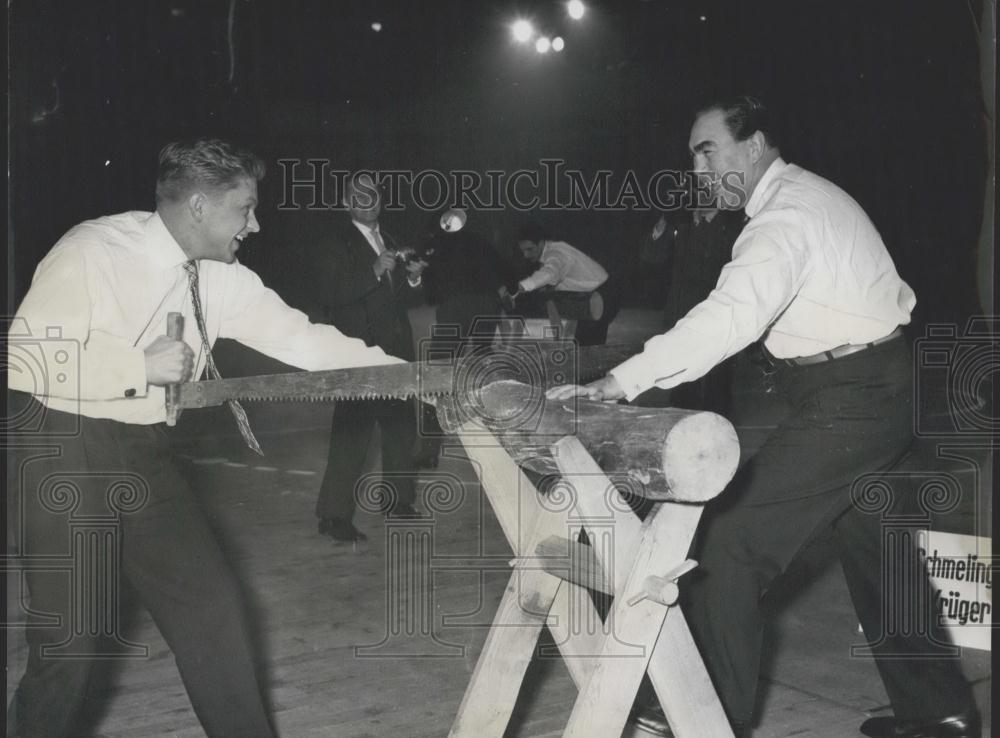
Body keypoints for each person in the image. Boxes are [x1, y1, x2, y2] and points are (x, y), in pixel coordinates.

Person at [549, 96, 978, 738]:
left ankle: (704, 719)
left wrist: (620, 380)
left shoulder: (785, 215)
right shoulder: (805, 197)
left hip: (854, 397)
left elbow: (730, 315)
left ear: (754, 146)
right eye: (692, 156)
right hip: (879, 383)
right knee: (876, 546)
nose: (697, 169)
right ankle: (941, 715)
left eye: (708, 149)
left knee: (732, 543)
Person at [6, 139, 405, 737]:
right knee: (71, 645)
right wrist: (136, 367)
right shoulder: (94, 250)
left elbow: (306, 341)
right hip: (61, 445)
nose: (256, 223)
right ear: (198, 206)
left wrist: (410, 377)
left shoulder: (224, 279)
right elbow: (25, 363)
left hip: (143, 454)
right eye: (245, 209)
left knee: (213, 615)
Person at [296, 171, 427, 542]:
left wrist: (414, 278)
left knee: (402, 431)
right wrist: (372, 270)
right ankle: (333, 517)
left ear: (381, 199)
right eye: (358, 194)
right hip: (358, 353)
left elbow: (401, 299)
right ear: (346, 202)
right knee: (352, 435)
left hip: (397, 353)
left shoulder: (393, 239)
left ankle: (399, 504)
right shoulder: (334, 242)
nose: (366, 200)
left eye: (372, 193)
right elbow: (331, 293)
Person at [413, 209, 508, 467]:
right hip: (487, 305)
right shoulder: (481, 241)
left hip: (456, 306)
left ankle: (429, 449)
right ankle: (498, 444)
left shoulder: (435, 243)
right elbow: (501, 275)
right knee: (483, 373)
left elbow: (430, 290)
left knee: (438, 376)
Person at [636, 200, 746, 414]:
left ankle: (719, 432)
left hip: (717, 318)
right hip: (680, 317)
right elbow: (651, 257)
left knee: (717, 384)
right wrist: (659, 230)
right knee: (682, 382)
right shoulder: (681, 225)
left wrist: (703, 224)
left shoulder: (732, 228)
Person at [503, 222, 616, 345]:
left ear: (541, 243)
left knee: (587, 347)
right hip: (595, 294)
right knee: (581, 345)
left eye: (530, 249)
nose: (526, 255)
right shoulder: (549, 254)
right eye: (523, 251)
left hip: (605, 295)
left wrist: (522, 286)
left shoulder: (556, 254)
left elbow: (549, 273)